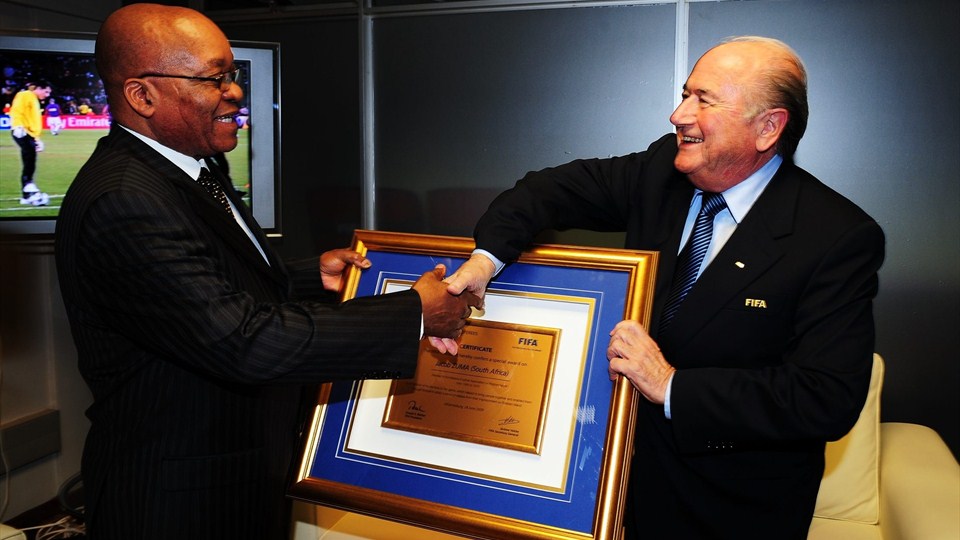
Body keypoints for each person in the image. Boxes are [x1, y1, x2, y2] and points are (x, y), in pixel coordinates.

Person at [54, 4, 478, 539]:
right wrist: (414, 315)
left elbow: (202, 288)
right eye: (215, 78)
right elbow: (245, 341)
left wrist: (306, 278)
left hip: (234, 478)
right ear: (143, 96)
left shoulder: (193, 167)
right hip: (177, 505)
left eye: (232, 75)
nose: (234, 92)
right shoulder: (125, 200)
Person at [440, 36, 885, 539]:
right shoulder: (660, 172)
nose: (678, 114)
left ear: (768, 128)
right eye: (685, 94)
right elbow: (547, 192)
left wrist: (671, 384)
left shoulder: (835, 236)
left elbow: (825, 397)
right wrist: (486, 259)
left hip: (731, 510)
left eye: (703, 100)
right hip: (615, 491)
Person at [9, 81, 52, 206]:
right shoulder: (25, 95)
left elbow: (34, 121)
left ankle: (28, 191)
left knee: (30, 160)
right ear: (38, 88)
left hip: (30, 134)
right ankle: (28, 190)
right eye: (46, 91)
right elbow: (17, 110)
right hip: (22, 131)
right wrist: (17, 125)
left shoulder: (34, 99)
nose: (47, 95)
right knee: (29, 159)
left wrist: (37, 139)